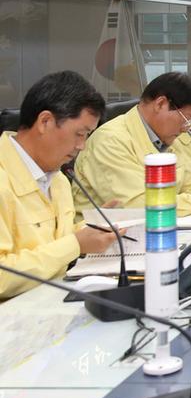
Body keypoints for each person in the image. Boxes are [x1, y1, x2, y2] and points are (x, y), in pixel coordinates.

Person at [0, 72, 122, 299]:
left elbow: (51, 241)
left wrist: (93, 229)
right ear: (45, 122)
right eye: (79, 134)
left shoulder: (57, 178)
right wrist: (76, 244)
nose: (82, 146)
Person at [74, 72, 191, 217]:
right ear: (161, 104)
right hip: (104, 252)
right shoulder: (111, 141)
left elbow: (188, 183)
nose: (186, 128)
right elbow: (138, 204)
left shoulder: (161, 139)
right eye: (187, 119)